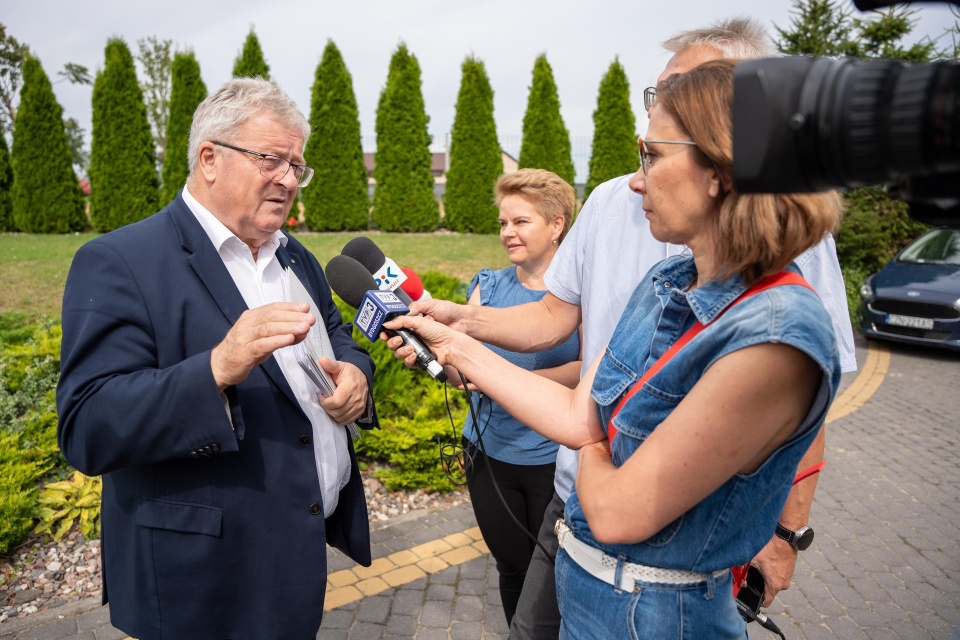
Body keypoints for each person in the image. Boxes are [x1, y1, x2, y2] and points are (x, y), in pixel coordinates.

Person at [396, 17, 857, 640]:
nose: (635, 179)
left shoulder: (776, 332)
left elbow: (614, 503)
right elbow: (583, 416)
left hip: (653, 613)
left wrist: (594, 433)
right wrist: (458, 342)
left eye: (652, 155)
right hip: (589, 577)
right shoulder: (666, 285)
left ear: (722, 168)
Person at [56, 77, 377, 640]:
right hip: (201, 583)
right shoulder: (120, 261)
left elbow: (336, 334)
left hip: (297, 558)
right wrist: (216, 369)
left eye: (297, 166)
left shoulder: (294, 256)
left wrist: (357, 374)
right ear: (209, 158)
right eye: (271, 160)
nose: (288, 179)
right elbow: (87, 426)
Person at [458, 169, 581, 625]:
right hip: (489, 455)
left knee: (555, 573)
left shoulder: (575, 294)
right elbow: (462, 370)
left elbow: (589, 367)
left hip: (554, 457)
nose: (507, 233)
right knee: (512, 569)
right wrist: (437, 359)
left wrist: (506, 377)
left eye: (521, 222)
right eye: (503, 223)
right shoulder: (487, 287)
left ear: (556, 225)